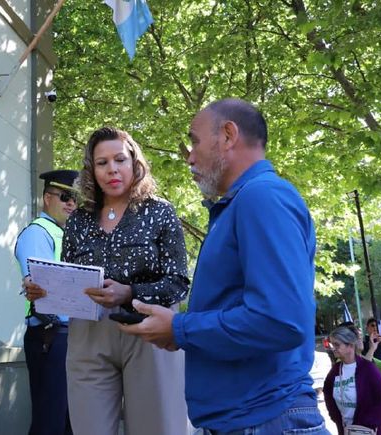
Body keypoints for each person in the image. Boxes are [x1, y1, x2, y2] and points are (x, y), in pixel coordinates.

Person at [119, 99, 327, 434]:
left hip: (267, 421)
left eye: (195, 141)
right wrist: (181, 330)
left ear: (228, 135)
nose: (189, 155)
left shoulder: (262, 197)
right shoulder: (241, 204)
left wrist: (181, 328)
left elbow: (282, 320)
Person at [25, 126, 190, 435]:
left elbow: (179, 281)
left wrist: (129, 292)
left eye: (119, 159)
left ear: (134, 163)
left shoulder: (160, 212)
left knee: (158, 428)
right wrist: (44, 290)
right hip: (87, 334)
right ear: (92, 169)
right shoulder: (78, 220)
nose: (111, 169)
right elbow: (70, 278)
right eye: (102, 162)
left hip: (147, 332)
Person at [14, 169, 78, 435]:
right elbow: (42, 286)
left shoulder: (65, 233)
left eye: (75, 198)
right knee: (50, 421)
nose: (71, 203)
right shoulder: (38, 232)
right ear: (46, 198)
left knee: (68, 420)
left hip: (68, 335)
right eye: (64, 196)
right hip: (50, 335)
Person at [323, 326, 381, 435]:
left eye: (337, 344)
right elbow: (328, 395)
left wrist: (365, 424)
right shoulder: (334, 371)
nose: (333, 348)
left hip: (371, 431)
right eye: (332, 344)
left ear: (350, 345)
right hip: (346, 430)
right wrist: (336, 419)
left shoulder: (368, 369)